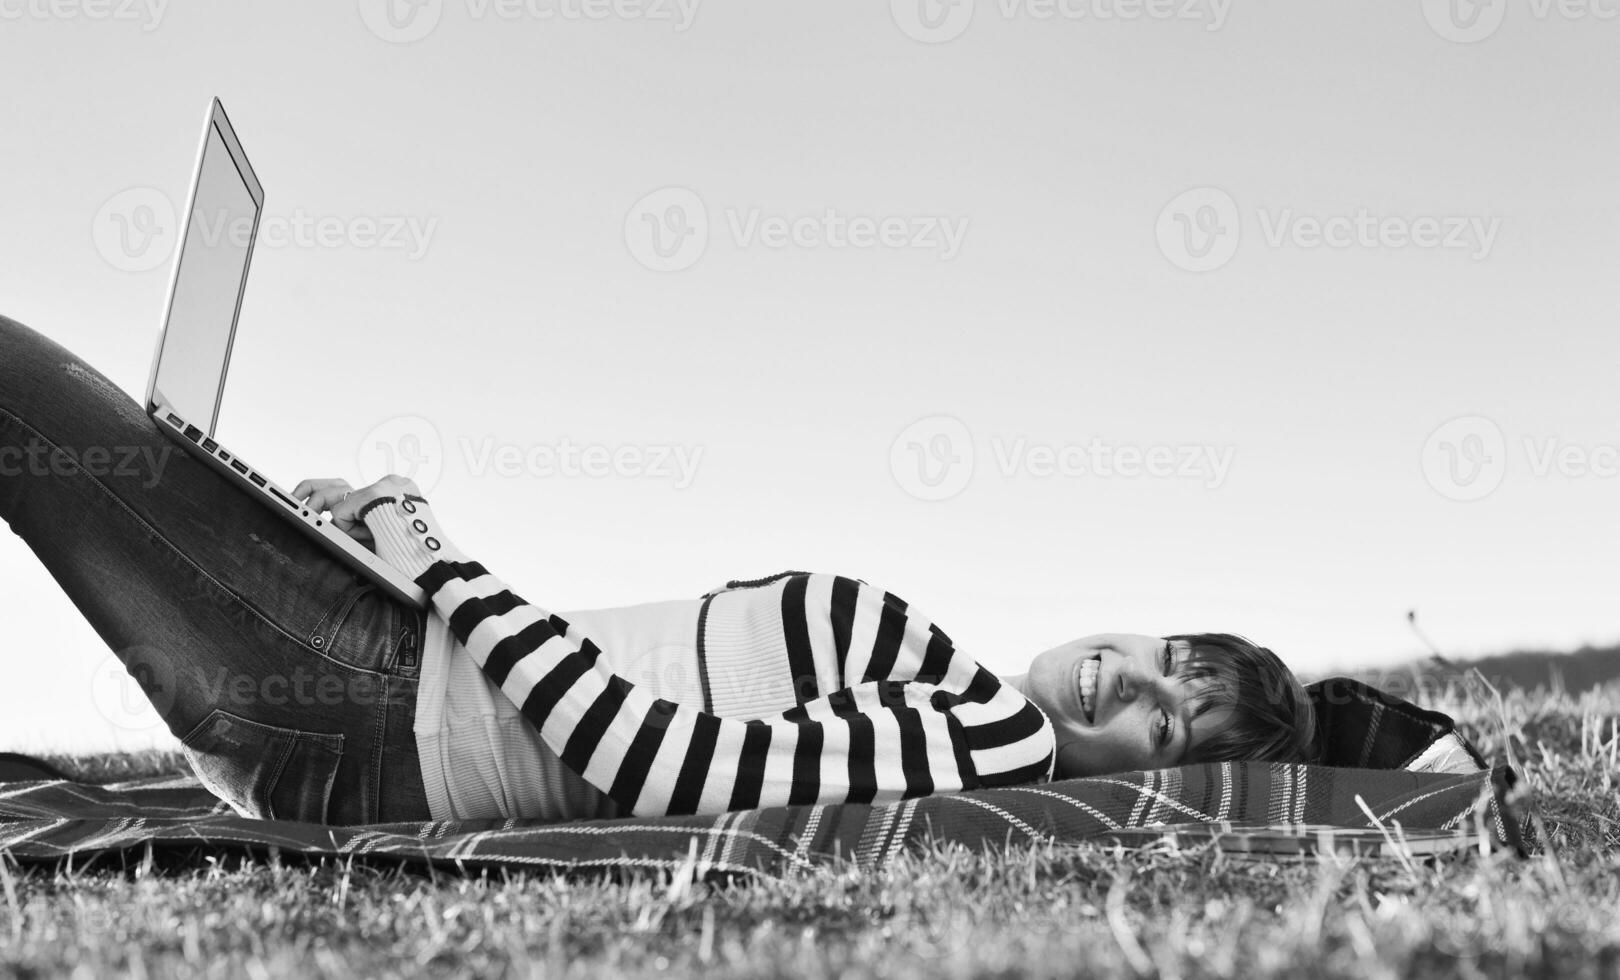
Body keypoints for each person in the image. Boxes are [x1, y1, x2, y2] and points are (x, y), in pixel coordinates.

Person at [0, 314, 1317, 826]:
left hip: (357, 707)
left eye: (1167, 716)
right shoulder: (972, 692)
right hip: (374, 652)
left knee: (22, 385)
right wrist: (382, 555)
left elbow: (660, 763)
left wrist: (430, 549)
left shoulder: (982, 739)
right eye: (1169, 657)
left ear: (1164, 780)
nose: (1132, 679)